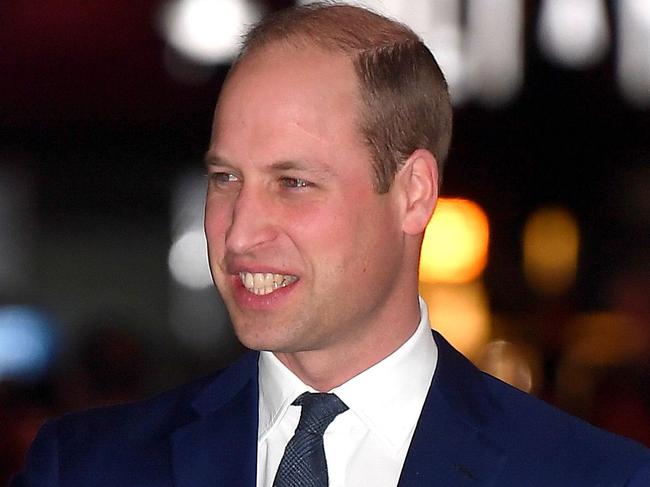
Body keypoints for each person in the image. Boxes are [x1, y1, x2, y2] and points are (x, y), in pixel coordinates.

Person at [13, 3, 650, 486]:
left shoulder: (591, 475)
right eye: (224, 178)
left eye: (293, 182)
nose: (238, 232)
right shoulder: (87, 467)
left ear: (413, 193)